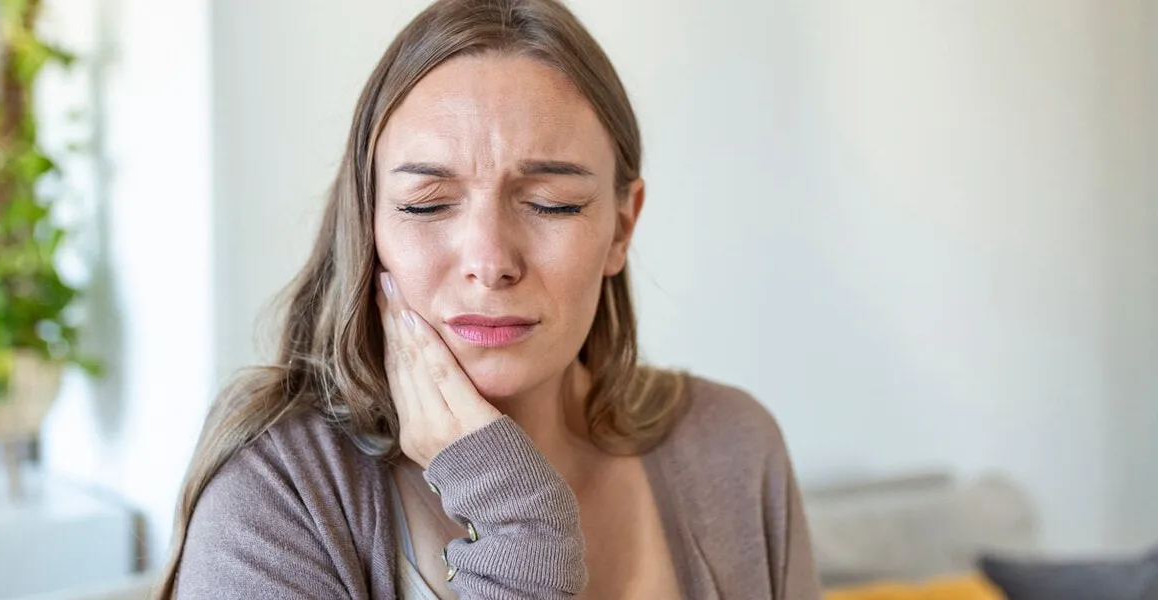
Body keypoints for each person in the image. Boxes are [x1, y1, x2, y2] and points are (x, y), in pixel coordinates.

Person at [155, 0, 821, 598]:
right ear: (369, 225)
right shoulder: (278, 488)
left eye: (551, 204)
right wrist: (521, 525)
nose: (491, 262)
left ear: (621, 227)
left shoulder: (733, 447)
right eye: (428, 204)